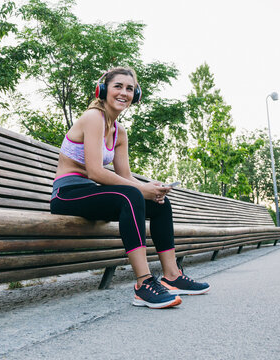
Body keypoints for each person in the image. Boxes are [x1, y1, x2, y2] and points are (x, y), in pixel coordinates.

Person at [50, 67, 210, 309]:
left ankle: (172, 276)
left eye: (130, 89)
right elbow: (95, 172)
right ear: (103, 90)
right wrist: (139, 190)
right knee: (132, 195)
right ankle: (143, 283)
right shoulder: (94, 117)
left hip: (92, 194)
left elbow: (124, 177)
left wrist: (151, 188)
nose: (124, 92)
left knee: (159, 204)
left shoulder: (119, 131)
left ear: (135, 95)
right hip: (67, 194)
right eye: (118, 86)